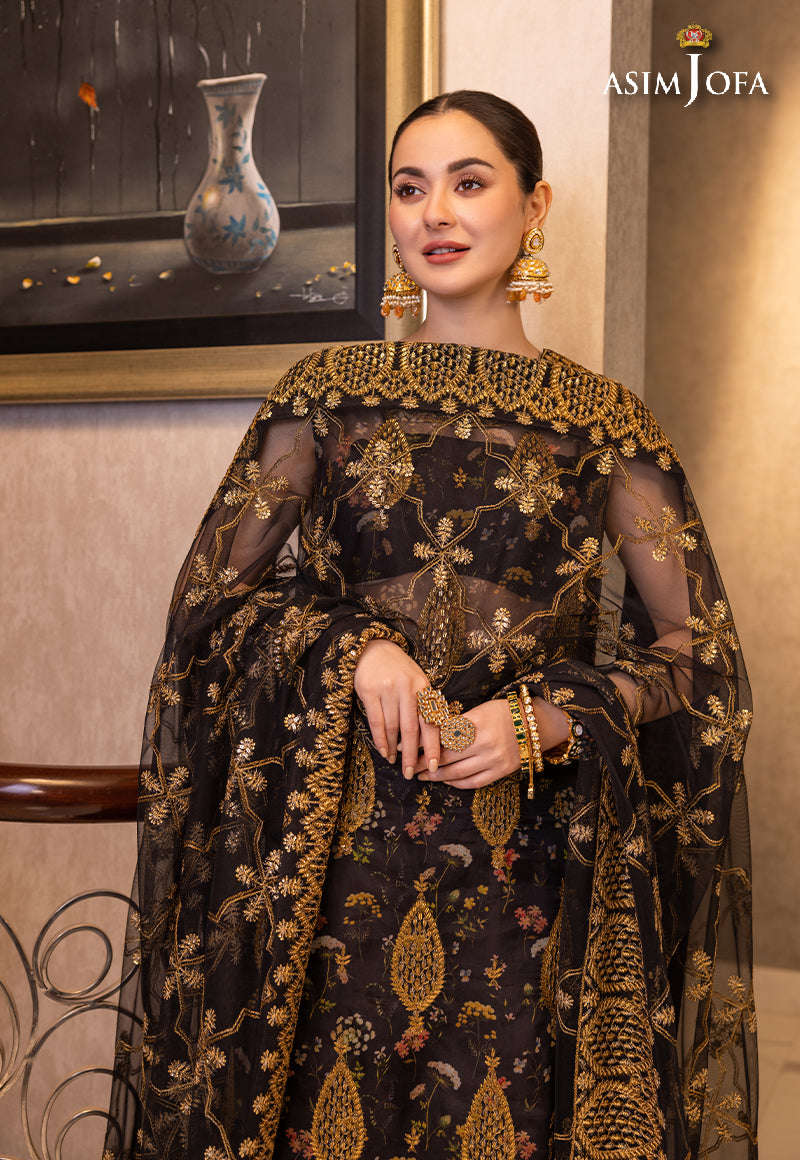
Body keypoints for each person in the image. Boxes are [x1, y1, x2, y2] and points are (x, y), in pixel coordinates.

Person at [108, 91, 757, 1160]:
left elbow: (698, 655)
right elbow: (210, 607)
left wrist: (554, 717)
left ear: (533, 206)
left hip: (532, 870)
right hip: (328, 872)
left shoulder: (604, 424)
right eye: (410, 188)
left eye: (469, 182)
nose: (434, 213)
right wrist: (351, 649)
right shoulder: (325, 395)